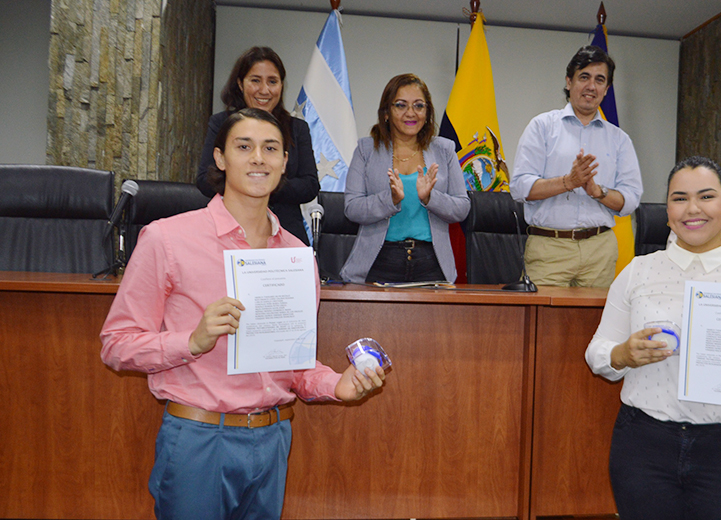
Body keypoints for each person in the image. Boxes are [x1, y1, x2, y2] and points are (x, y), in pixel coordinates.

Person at [101, 108, 386, 520]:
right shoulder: (167, 238)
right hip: (199, 439)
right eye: (244, 146)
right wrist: (192, 341)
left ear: (285, 162)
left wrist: (339, 385)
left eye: (270, 148)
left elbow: (295, 366)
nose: (258, 158)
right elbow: (116, 345)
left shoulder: (296, 256)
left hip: (272, 440)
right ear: (220, 158)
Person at [585, 156, 721, 520]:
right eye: (679, 198)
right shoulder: (638, 270)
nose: (693, 209)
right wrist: (623, 354)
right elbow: (598, 352)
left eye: (706, 197)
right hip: (644, 443)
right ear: (667, 208)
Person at [510, 45, 643, 288]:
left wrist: (598, 192)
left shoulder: (619, 139)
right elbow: (519, 187)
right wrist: (567, 183)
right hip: (549, 248)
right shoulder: (542, 127)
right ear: (569, 82)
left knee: (594, 325)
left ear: (606, 90)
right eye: (584, 77)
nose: (591, 86)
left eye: (600, 80)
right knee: (542, 325)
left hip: (599, 250)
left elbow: (631, 200)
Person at [340, 73, 470, 283]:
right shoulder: (366, 150)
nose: (411, 113)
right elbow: (352, 208)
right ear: (386, 113)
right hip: (379, 261)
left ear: (427, 112)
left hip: (432, 263)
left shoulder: (444, 150)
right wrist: (389, 199)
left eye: (419, 106)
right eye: (401, 105)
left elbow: (462, 208)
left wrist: (430, 198)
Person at [197, 46, 319, 245]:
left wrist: (261, 183)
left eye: (272, 81)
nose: (264, 90)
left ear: (281, 85)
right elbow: (204, 179)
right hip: (226, 232)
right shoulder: (221, 123)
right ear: (240, 83)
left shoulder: (297, 128)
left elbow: (310, 185)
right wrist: (256, 184)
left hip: (287, 232)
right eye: (255, 80)